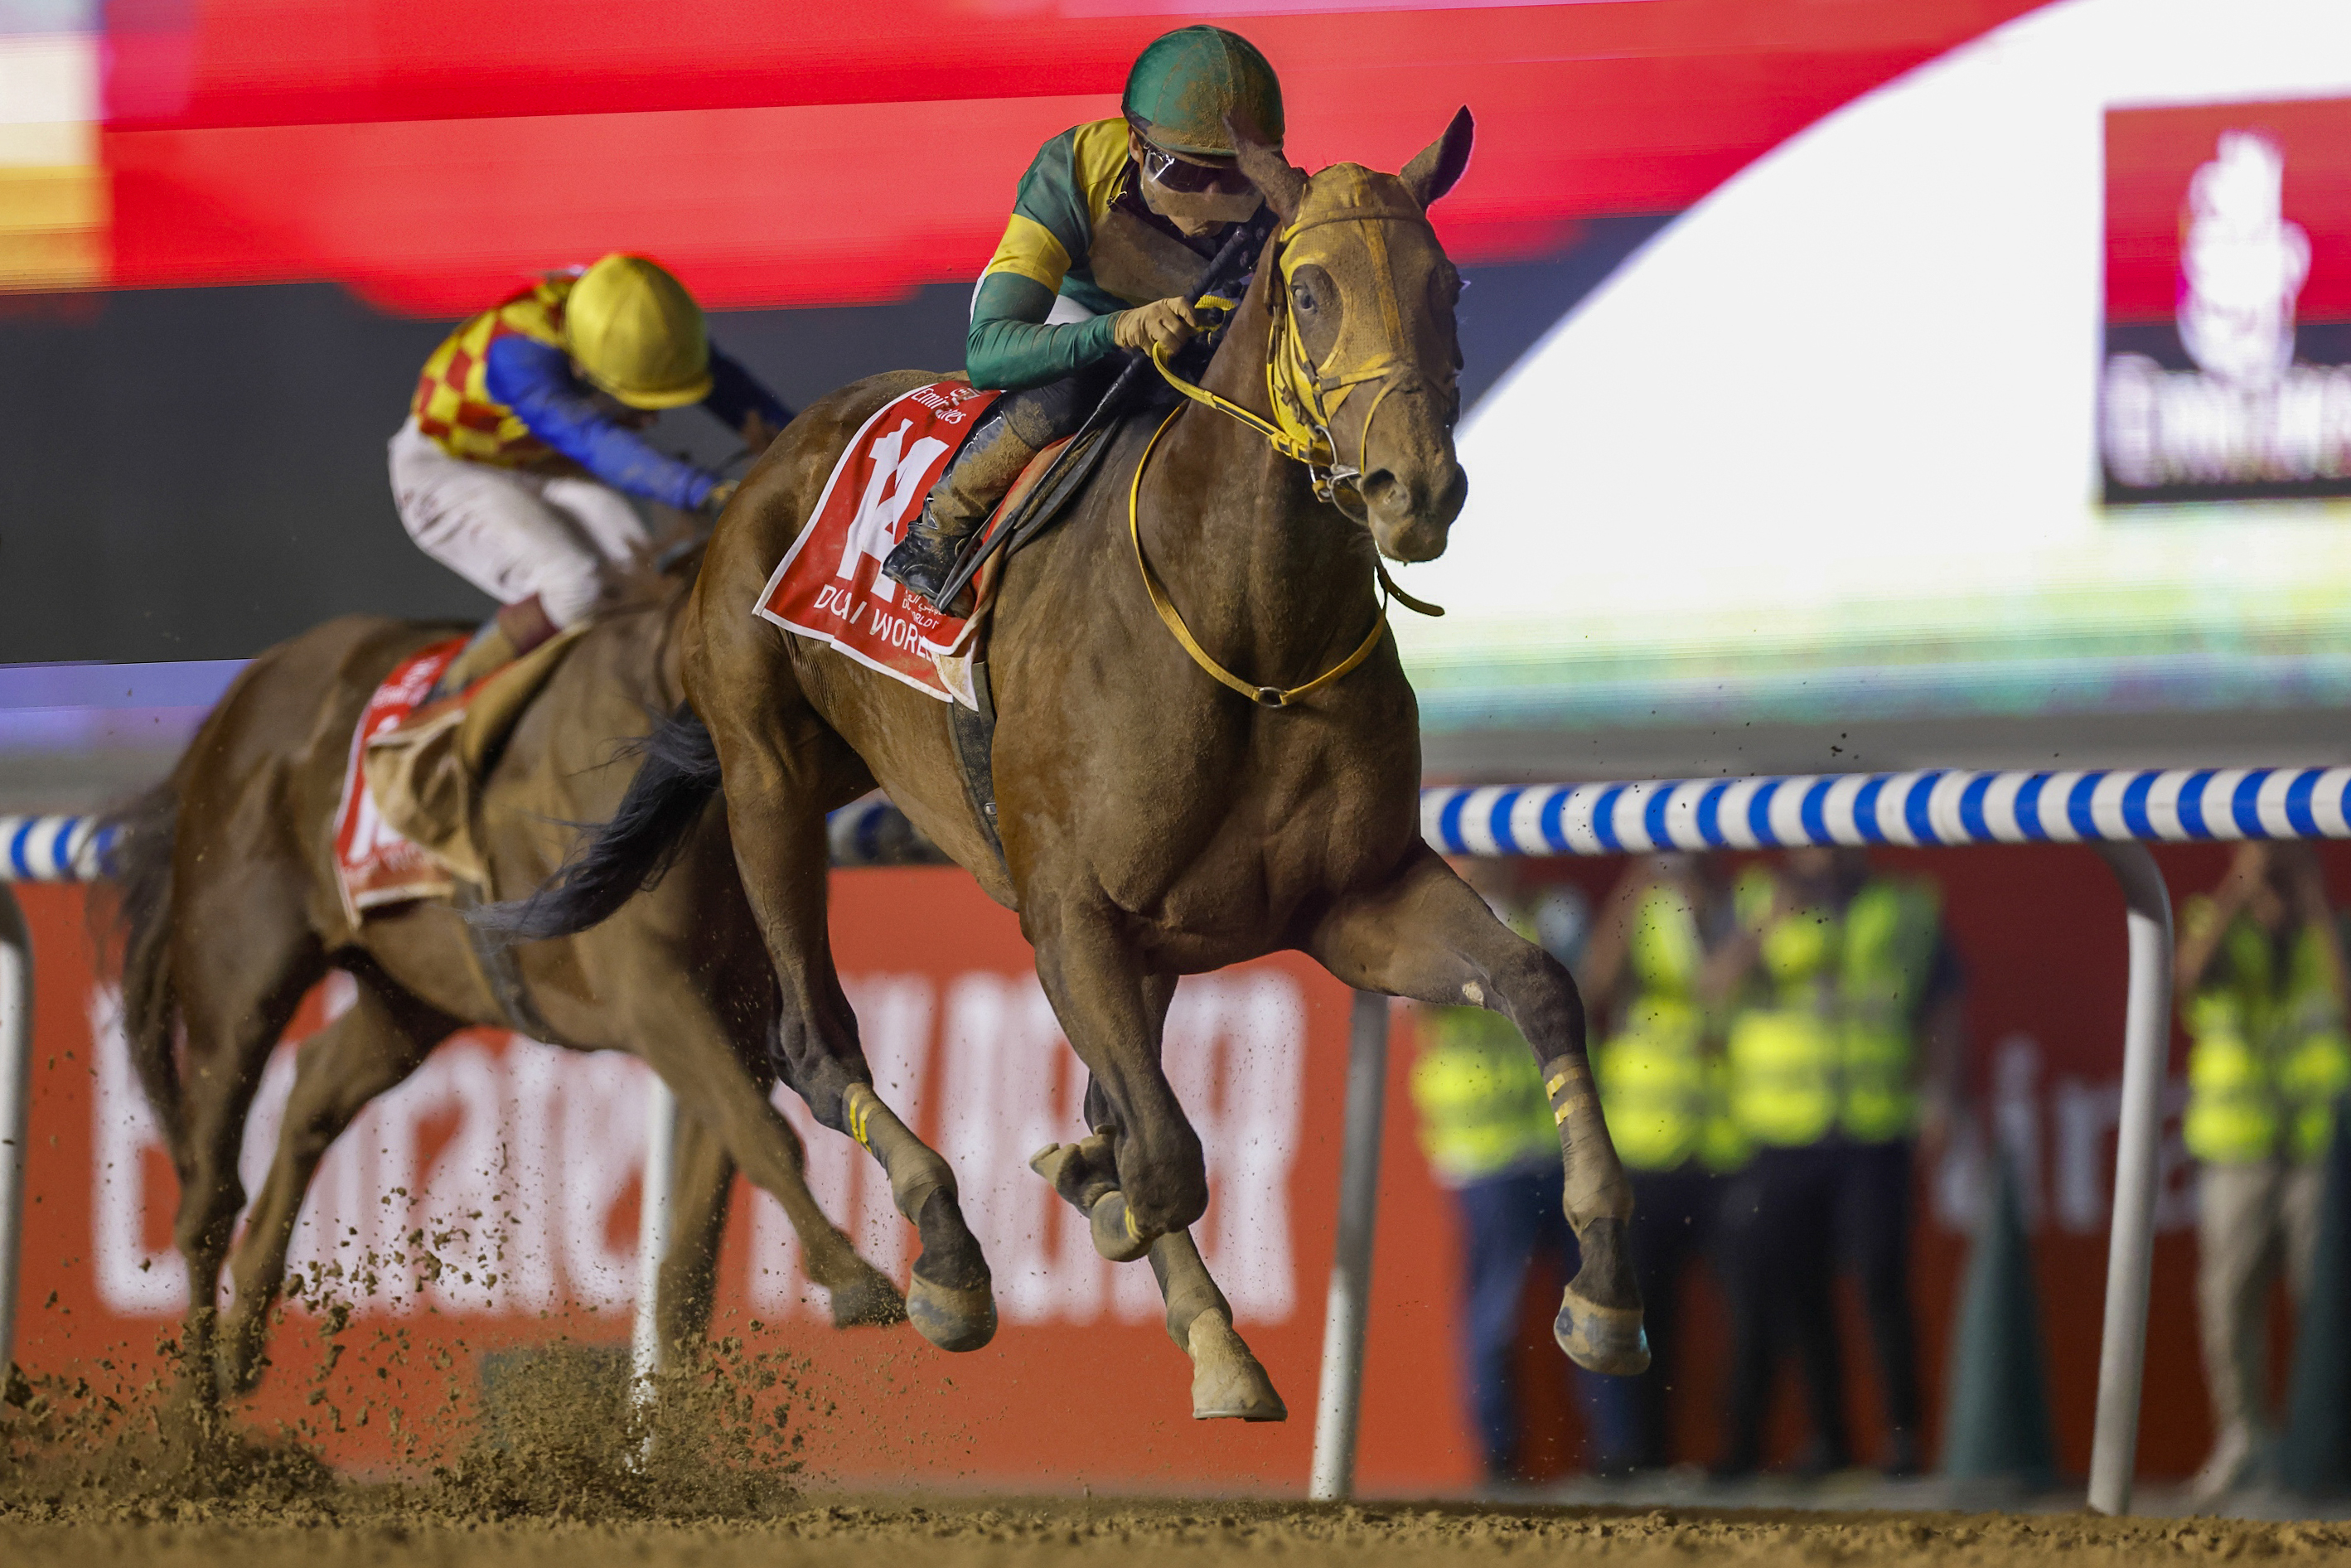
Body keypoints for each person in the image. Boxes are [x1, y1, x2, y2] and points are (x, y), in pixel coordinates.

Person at [881, 25, 1282, 612]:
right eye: (1188, 177)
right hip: (1072, 314)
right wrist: (1116, 329)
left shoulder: (1282, 201)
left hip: (1195, 335)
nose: (1211, 206)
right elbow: (989, 351)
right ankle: (935, 534)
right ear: (1136, 148)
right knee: (1080, 383)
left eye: (1238, 177)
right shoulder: (1072, 165)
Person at [391, 252, 791, 698]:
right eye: (640, 402)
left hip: (536, 459)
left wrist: (795, 444)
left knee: (633, 576)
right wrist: (704, 491)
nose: (653, 417)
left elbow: (724, 383)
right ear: (583, 365)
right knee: (574, 587)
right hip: (448, 468)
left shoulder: (617, 317)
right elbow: (591, 441)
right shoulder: (518, 354)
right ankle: (438, 708)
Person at [1712, 848, 1961, 1479]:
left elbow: (1944, 1004)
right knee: (1800, 1294)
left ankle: (1902, 1440)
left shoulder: (1902, 905)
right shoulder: (1751, 901)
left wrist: (1939, 1094)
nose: (1819, 852)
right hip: (1782, 1128)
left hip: (1873, 1124)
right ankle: (1829, 1439)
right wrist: (1768, 922)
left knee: (1881, 1280)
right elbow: (1708, 990)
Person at [1407, 859, 1604, 1483]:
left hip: (1560, 1147)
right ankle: (1499, 1459)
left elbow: (1590, 992)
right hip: (1485, 1157)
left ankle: (1615, 1457)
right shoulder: (1430, 928)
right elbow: (1418, 1005)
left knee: (1596, 1305)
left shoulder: (1554, 915)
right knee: (1495, 1314)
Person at [2175, 842, 2351, 1503]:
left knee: (2326, 1299)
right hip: (2238, 1149)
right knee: (2227, 1301)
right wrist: (2234, 896)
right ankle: (2242, 1435)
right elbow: (2188, 981)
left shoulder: (2328, 931)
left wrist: (2312, 905)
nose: (2271, 858)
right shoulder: (2209, 920)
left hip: (2316, 1153)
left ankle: (2322, 1441)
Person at [1579, 853, 1747, 1474]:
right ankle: (1639, 1455)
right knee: (1642, 1320)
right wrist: (1633, 887)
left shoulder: (1748, 911)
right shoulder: (1644, 914)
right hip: (1647, 1154)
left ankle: (1740, 1455)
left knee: (1744, 1320)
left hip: (1729, 1151)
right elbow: (1594, 983)